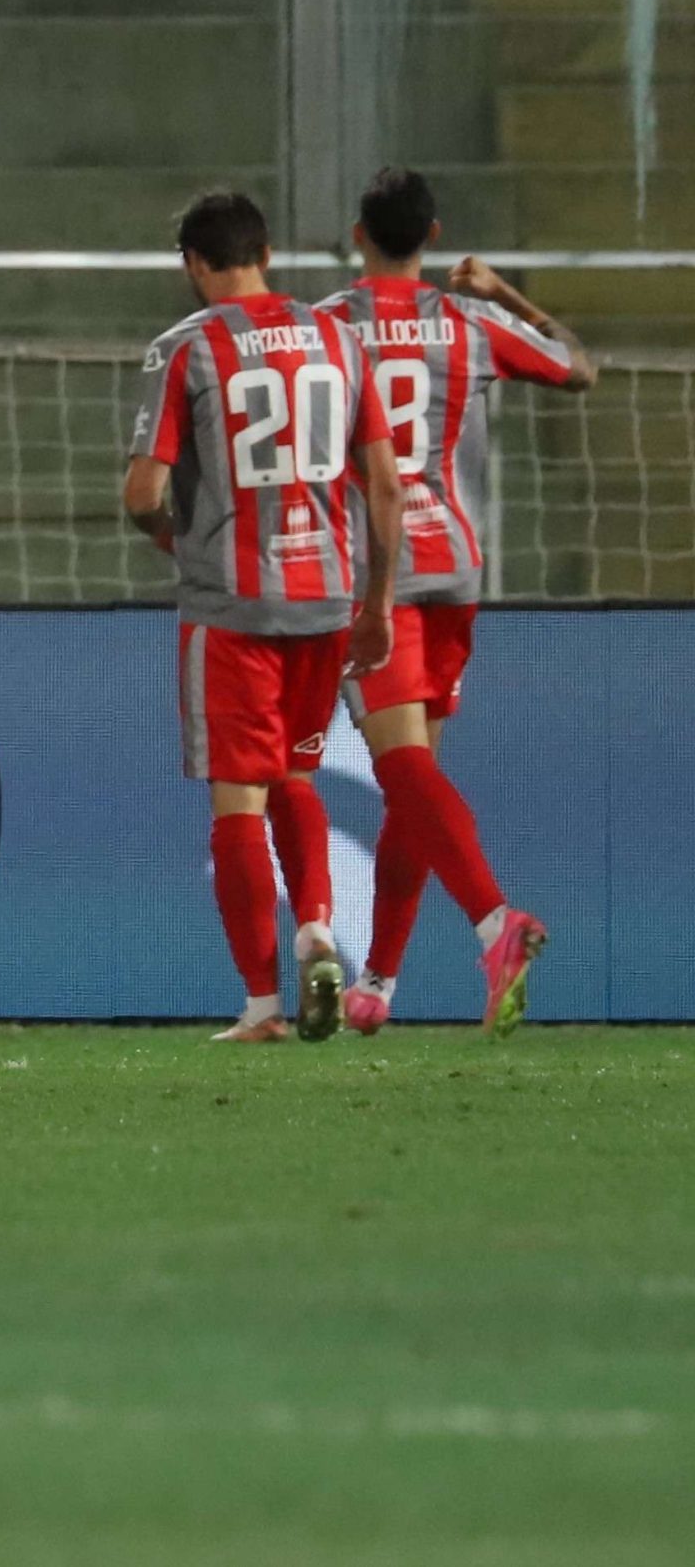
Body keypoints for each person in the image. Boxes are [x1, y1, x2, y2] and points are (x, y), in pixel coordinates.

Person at [315, 168, 588, 1037]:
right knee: (413, 781)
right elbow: (578, 369)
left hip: (378, 571)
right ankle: (379, 984)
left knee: (401, 769)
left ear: (358, 235)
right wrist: (508, 294)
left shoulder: (326, 327)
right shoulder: (469, 320)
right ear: (432, 236)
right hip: (457, 568)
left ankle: (495, 923)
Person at [124, 191, 402, 1044]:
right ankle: (316, 925)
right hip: (327, 600)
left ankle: (261, 1005)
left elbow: (141, 493)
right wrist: (378, 604)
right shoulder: (341, 338)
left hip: (233, 607)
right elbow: (385, 486)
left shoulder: (185, 348)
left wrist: (178, 541)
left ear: (193, 264)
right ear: (267, 254)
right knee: (297, 776)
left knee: (238, 799)